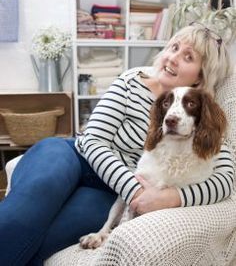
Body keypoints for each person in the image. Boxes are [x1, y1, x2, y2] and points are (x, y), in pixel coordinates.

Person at [0, 23, 234, 266]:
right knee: (23, 215)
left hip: (107, 193)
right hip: (74, 158)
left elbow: (225, 179)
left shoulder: (203, 116)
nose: (173, 58)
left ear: (201, 76)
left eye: (188, 57)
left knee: (47, 238)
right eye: (173, 47)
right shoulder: (131, 81)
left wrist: (174, 197)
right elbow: (92, 141)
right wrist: (135, 190)